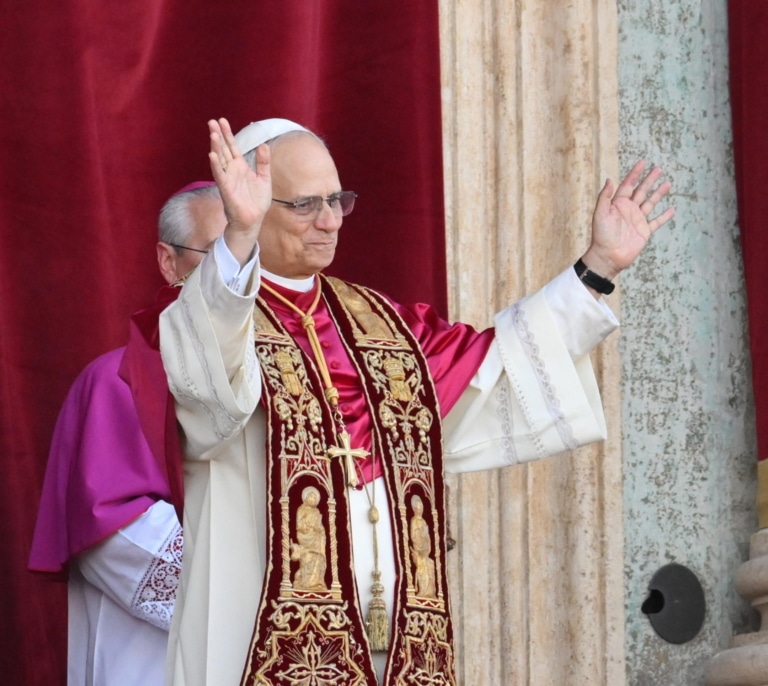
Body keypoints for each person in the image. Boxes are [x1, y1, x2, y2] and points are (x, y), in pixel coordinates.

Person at [159, 117, 675, 686]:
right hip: (258, 635)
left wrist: (597, 268)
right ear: (254, 202)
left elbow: (497, 366)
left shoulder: (384, 325)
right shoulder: (216, 310)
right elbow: (208, 390)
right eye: (305, 205)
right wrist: (237, 237)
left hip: (397, 639)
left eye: (337, 200)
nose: (329, 221)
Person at [28, 182, 226, 686]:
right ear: (169, 262)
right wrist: (248, 591)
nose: (241, 278)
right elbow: (115, 533)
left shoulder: (299, 383)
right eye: (222, 252)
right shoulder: (118, 380)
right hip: (152, 660)